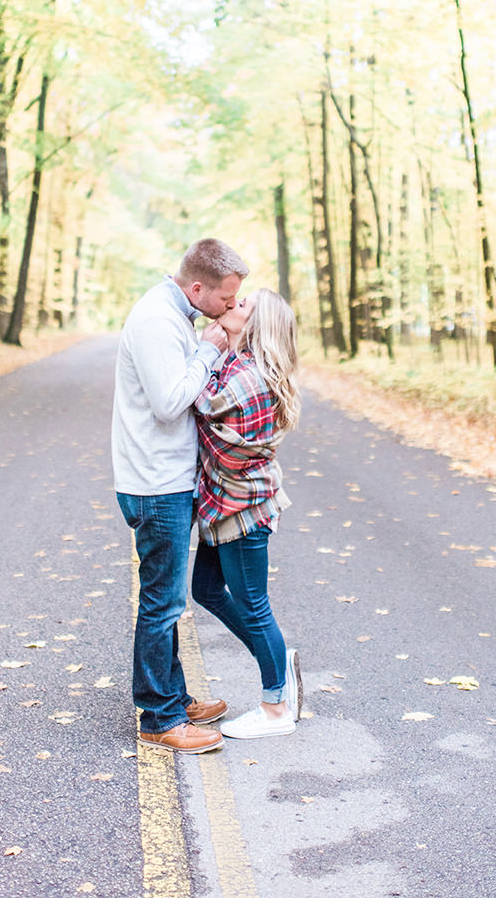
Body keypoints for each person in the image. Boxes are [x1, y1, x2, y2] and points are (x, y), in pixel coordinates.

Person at [112, 238, 249, 753]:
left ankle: (173, 695)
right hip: (154, 484)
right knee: (162, 602)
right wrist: (211, 350)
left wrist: (207, 347)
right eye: (227, 298)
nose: (233, 307)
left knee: (166, 599)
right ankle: (160, 718)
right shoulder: (156, 321)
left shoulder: (177, 316)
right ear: (197, 288)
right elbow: (171, 403)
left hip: (168, 478)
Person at [191, 287, 303, 739]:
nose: (231, 305)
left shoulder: (249, 376)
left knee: (255, 607)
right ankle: (276, 661)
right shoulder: (238, 364)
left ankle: (276, 708)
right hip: (226, 506)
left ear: (257, 325)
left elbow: (198, 405)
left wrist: (201, 355)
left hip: (243, 508)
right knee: (206, 589)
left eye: (242, 305)